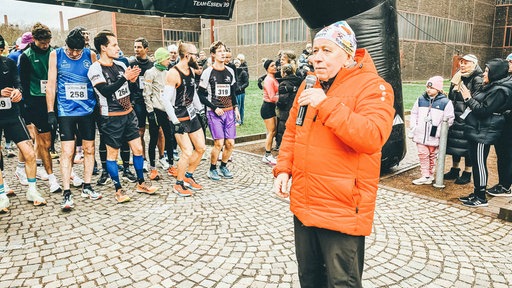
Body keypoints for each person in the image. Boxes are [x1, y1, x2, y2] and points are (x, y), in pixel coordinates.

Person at [272, 21, 394, 287]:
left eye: (327, 50)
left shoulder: (374, 87)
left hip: (341, 207)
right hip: (305, 203)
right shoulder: (309, 85)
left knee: (342, 282)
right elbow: (292, 131)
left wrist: (325, 104)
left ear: (349, 55)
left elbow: (372, 137)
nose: (317, 57)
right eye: (315, 50)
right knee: (310, 278)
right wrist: (283, 168)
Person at [87, 30, 158, 203]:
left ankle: (141, 183)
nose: (118, 48)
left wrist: (131, 80)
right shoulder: (95, 68)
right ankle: (118, 189)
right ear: (103, 48)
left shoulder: (120, 64)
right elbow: (104, 90)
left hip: (128, 114)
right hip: (110, 117)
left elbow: (128, 87)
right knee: (113, 154)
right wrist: (124, 78)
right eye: (114, 45)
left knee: (138, 149)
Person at [46, 27, 102, 210]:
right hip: (66, 111)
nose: (74, 53)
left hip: (87, 110)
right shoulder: (56, 55)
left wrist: (100, 108)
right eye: (71, 50)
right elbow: (51, 85)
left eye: (78, 51)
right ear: (66, 45)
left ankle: (87, 185)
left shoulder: (91, 55)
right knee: (67, 151)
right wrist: (50, 112)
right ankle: (67, 192)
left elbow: (97, 83)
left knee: (89, 149)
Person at [458, 58, 512, 207]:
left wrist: (468, 98)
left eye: (487, 71)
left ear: (496, 72)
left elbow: (483, 111)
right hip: (478, 129)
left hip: (483, 131)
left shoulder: (501, 90)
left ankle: (480, 196)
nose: (484, 74)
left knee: (480, 164)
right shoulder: (491, 86)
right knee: (476, 162)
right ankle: (476, 192)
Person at [0, 42, 47, 210]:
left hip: (12, 114)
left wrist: (17, 92)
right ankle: (1, 193)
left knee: (29, 152)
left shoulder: (8, 63)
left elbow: (18, 83)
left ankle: (32, 190)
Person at [19, 22, 62, 194]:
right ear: (34, 40)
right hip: (37, 100)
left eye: (47, 42)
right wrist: (27, 111)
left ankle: (67, 172)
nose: (45, 45)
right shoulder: (26, 56)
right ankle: (52, 178)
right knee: (44, 141)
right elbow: (23, 83)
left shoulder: (54, 53)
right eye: (42, 42)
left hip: (56, 98)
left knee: (55, 139)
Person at [161, 42, 206, 196]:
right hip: (179, 117)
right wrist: (175, 122)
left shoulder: (191, 71)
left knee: (201, 148)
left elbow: (192, 94)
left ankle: (188, 176)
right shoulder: (173, 73)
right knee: (187, 152)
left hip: (192, 115)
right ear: (187, 55)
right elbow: (166, 100)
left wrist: (201, 111)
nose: (198, 57)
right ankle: (178, 184)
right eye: (195, 54)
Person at [198, 41, 240, 181]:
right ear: (213, 55)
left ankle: (223, 166)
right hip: (214, 112)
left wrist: (236, 108)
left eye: (224, 50)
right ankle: (212, 169)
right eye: (220, 51)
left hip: (229, 112)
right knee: (219, 143)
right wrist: (214, 107)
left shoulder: (230, 71)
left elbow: (233, 92)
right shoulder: (208, 72)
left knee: (230, 143)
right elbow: (201, 95)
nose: (223, 53)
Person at [445, 54, 483, 184]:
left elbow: (477, 99)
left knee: (467, 146)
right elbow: (451, 95)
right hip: (455, 115)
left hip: (468, 118)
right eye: (461, 62)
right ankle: (454, 169)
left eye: (466, 63)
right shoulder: (457, 76)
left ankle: (467, 172)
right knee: (455, 144)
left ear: (474, 64)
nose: (462, 65)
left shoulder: (478, 79)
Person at [409, 76, 455, 185]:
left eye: (432, 87)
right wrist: (414, 127)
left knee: (432, 156)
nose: (428, 90)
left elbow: (449, 119)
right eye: (427, 87)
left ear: (438, 89)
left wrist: (439, 131)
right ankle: (425, 174)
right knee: (422, 154)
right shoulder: (420, 99)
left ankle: (430, 174)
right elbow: (414, 113)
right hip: (420, 135)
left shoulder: (445, 102)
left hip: (434, 136)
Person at [143, 47, 178, 180]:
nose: (169, 61)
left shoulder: (168, 72)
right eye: (167, 59)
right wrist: (150, 111)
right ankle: (152, 168)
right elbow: (147, 93)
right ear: (161, 59)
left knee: (169, 137)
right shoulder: (150, 73)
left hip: (166, 109)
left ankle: (170, 165)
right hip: (155, 110)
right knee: (153, 138)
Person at [487, 53, 512, 196]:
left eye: (511, 61)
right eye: (508, 61)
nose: (509, 64)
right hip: (504, 124)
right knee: (502, 154)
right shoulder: (507, 78)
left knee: (506, 154)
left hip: (508, 124)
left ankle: (505, 186)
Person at [130, 37, 155, 171]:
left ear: (146, 49)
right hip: (138, 101)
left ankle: (159, 158)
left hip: (151, 101)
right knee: (140, 132)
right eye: (135, 47)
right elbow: (128, 84)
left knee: (157, 131)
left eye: (139, 47)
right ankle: (143, 159)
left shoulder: (152, 65)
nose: (136, 50)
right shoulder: (132, 63)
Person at [275, 63, 301, 151]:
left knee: (283, 129)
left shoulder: (283, 84)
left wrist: (277, 103)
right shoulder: (299, 82)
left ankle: (282, 147)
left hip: (285, 111)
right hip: (296, 109)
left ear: (284, 73)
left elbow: (282, 101)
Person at [260, 59, 279, 165]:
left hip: (271, 107)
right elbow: (272, 97)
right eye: (272, 66)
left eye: (275, 65)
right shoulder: (268, 80)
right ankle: (267, 155)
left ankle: (269, 153)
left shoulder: (273, 78)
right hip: (267, 107)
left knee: (273, 131)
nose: (275, 67)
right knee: (271, 132)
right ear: (267, 68)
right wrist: (284, 97)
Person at [234, 59, 249, 126]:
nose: (236, 64)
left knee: (240, 106)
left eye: (237, 63)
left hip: (241, 92)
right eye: (235, 63)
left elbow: (246, 83)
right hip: (234, 91)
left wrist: (241, 88)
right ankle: (237, 120)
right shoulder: (233, 72)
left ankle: (240, 121)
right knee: (236, 106)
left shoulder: (243, 72)